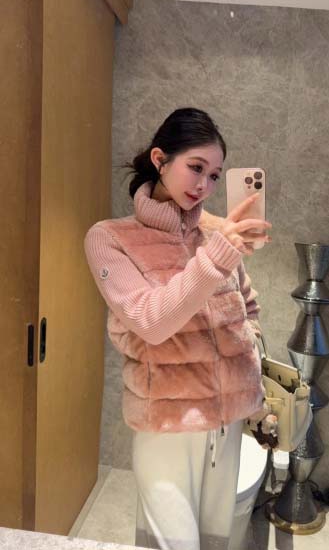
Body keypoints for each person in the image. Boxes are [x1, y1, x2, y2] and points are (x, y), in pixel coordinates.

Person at [83, 107, 276, 550]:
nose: (204, 185)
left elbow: (248, 306)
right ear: (160, 159)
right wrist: (217, 256)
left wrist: (247, 372)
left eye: (215, 175)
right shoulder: (109, 238)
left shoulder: (217, 233)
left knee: (217, 543)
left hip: (228, 426)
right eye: (196, 167)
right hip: (167, 427)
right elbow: (149, 321)